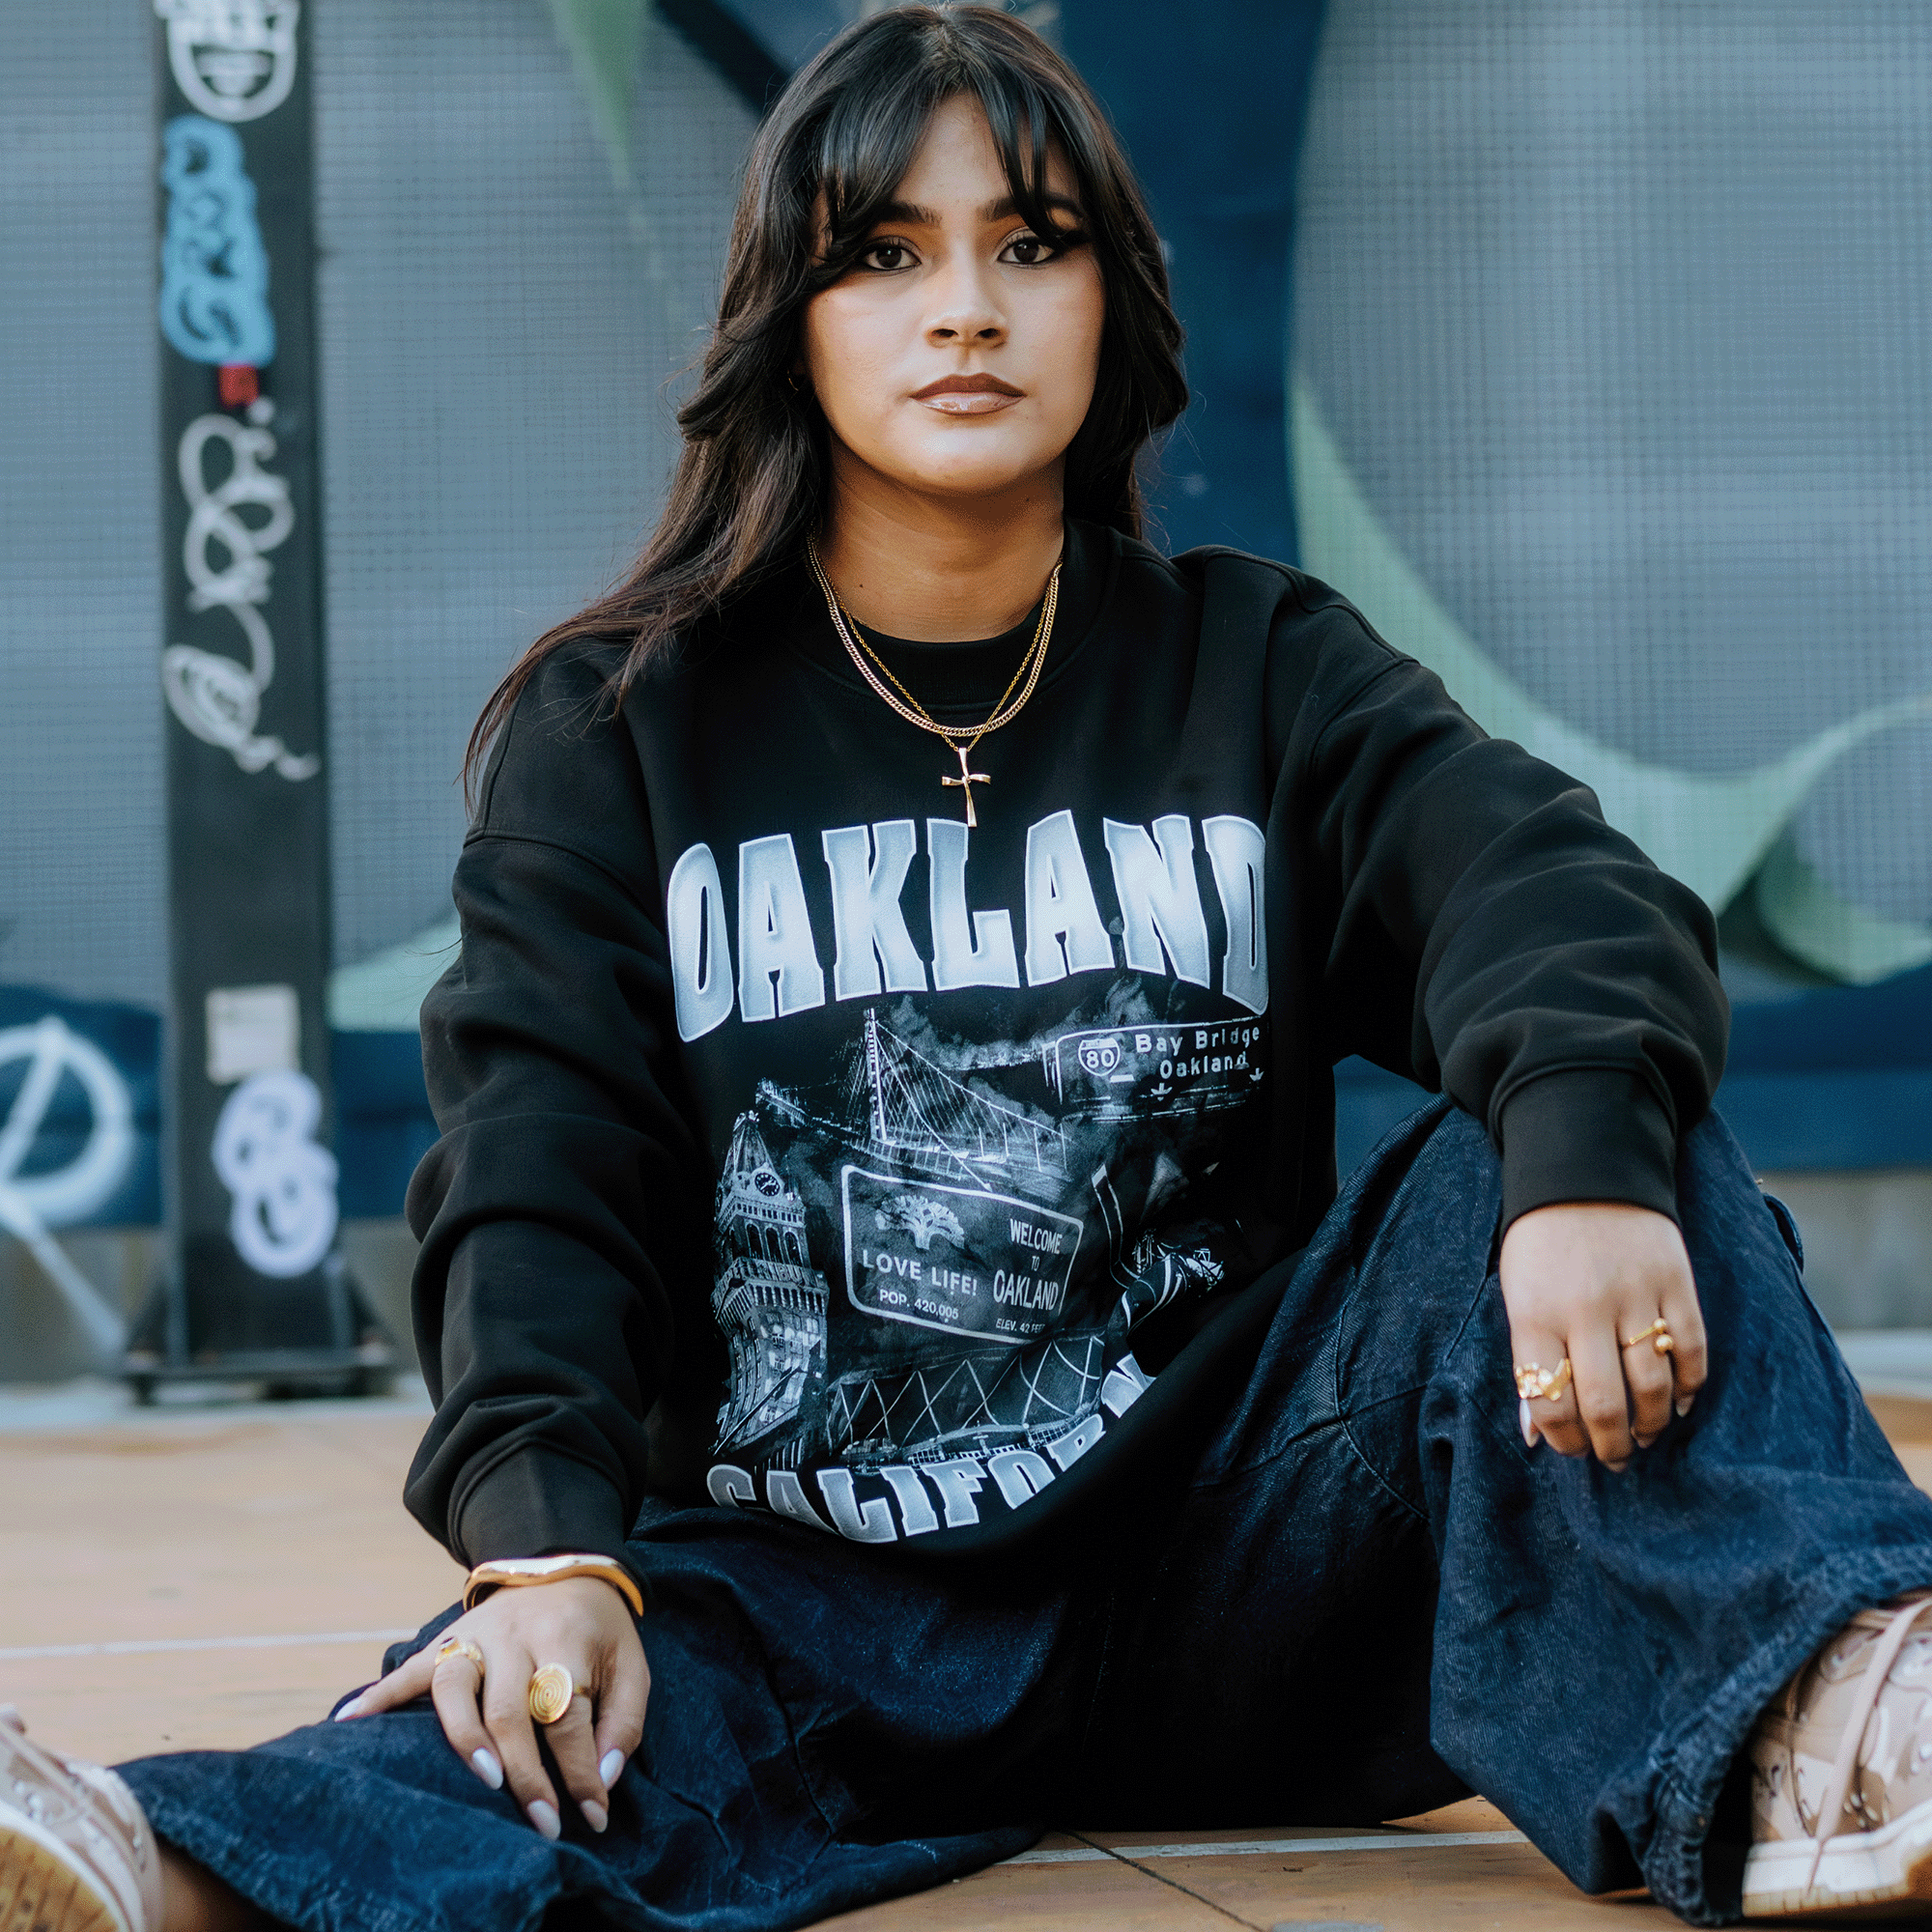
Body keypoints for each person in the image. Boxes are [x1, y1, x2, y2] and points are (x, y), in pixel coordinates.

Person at [8, 9, 1932, 1929]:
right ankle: (138, 1857)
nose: (966, 308)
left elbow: (1545, 885)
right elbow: (538, 1165)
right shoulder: (625, 734)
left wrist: (1579, 1158)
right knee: (543, 1699)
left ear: (1111, 301)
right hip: (819, 1603)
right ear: (793, 310)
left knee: (1593, 1151)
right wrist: (543, 1546)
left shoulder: (1254, 668)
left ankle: (1841, 1717)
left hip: (1255, 1567)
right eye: (887, 252)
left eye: (1031, 242)